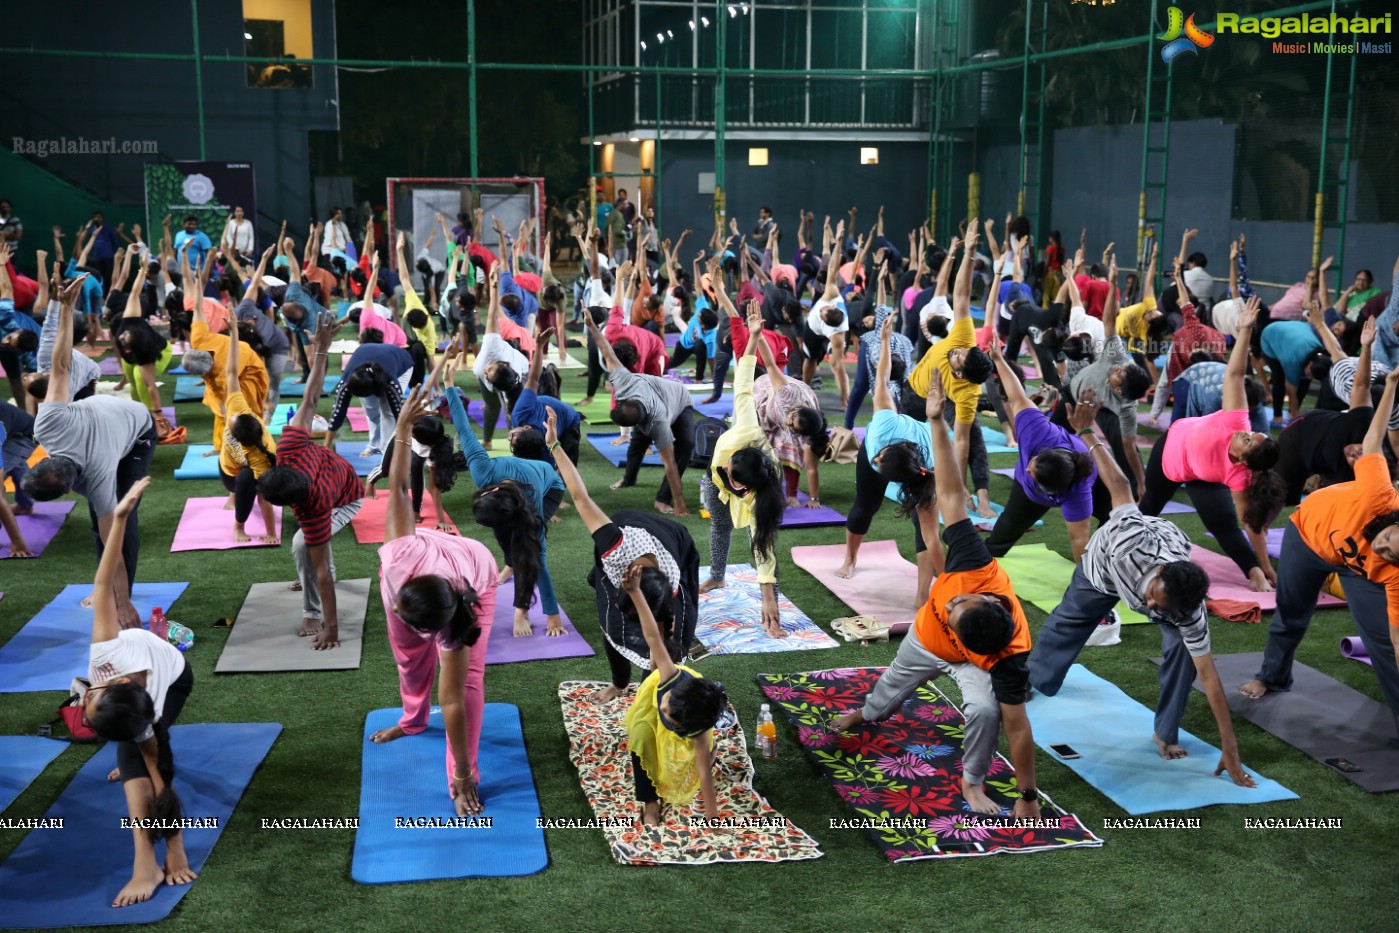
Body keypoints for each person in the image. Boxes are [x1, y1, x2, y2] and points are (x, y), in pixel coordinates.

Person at [830, 373, 1043, 819]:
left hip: (970, 661)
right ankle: (864, 716)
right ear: (985, 599)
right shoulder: (974, 564)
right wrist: (936, 424)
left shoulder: (1009, 660)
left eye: (953, 607)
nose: (946, 601)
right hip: (927, 641)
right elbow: (947, 491)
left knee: (986, 712)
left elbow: (1018, 727)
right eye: (957, 602)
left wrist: (1027, 795)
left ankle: (972, 782)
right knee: (885, 697)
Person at [1029, 387, 1257, 785]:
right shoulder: (1125, 546)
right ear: (1157, 580)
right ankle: (1034, 680)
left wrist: (1231, 748)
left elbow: (1210, 678)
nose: (1150, 607)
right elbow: (1119, 486)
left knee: (1184, 659)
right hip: (1100, 568)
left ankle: (1164, 733)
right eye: (1153, 598)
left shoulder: (1187, 606)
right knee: (1068, 622)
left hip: (1165, 555)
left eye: (1160, 607)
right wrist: (1088, 435)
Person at [1239, 367, 1399, 732]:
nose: (1383, 548)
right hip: (1307, 536)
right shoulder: (1380, 493)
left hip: (1354, 568)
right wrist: (1389, 386)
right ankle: (1271, 676)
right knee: (1291, 613)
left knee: (1379, 639)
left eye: (1391, 555)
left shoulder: (1393, 574)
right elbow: (1373, 441)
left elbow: (1395, 638)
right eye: (1388, 540)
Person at [370, 387, 497, 817]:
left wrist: (461, 776)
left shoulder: (456, 621)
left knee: (467, 685)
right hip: (428, 568)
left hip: (474, 571)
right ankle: (412, 721)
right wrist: (402, 431)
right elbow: (399, 485)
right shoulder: (399, 553)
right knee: (409, 662)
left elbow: (455, 703)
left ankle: (467, 771)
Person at [81, 478, 198, 907]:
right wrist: (121, 518)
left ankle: (145, 862)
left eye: (88, 703)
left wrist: (176, 847)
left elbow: (162, 783)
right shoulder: (104, 655)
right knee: (132, 761)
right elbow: (102, 581)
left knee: (147, 768)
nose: (85, 697)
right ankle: (144, 860)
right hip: (135, 703)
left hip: (177, 678)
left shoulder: (145, 723)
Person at [545, 406, 701, 708]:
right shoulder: (612, 544)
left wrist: (653, 692)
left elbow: (659, 638)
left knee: (671, 645)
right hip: (629, 524)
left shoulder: (670, 587)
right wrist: (553, 443)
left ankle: (647, 692)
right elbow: (580, 495)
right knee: (611, 623)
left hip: (673, 538)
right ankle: (618, 682)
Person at [25, 276, 155, 629]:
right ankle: (107, 588)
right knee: (102, 523)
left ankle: (119, 591)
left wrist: (123, 605)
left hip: (138, 432)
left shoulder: (95, 478)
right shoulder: (47, 425)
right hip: (102, 414)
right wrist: (63, 308)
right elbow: (61, 364)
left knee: (118, 523)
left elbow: (111, 534)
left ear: (70, 489)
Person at [1138, 297, 1284, 592]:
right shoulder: (1236, 422)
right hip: (1168, 456)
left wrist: (1264, 568)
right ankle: (1120, 550)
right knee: (1148, 511)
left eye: (1250, 440)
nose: (1249, 433)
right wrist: (1244, 331)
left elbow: (1249, 523)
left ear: (1244, 461)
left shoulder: (1239, 476)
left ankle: (1252, 573)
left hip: (1202, 477)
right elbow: (1234, 373)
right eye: (1256, 434)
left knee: (1224, 526)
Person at [255, 315, 363, 650]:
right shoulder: (290, 446)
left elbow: (324, 575)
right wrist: (322, 351)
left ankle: (311, 611)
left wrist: (331, 628)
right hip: (335, 475)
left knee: (306, 547)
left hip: (347, 497)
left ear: (291, 504)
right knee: (308, 552)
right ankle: (308, 589)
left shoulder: (312, 510)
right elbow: (311, 398)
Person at [443, 379, 565, 639]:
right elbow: (464, 429)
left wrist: (551, 615)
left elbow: (539, 563)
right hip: (509, 501)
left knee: (530, 551)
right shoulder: (482, 470)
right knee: (506, 538)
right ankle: (510, 563)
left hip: (551, 489)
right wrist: (450, 386)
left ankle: (522, 605)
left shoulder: (531, 502)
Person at [834, 316, 940, 605]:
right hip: (893, 451)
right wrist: (882, 343)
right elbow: (880, 377)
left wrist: (950, 586)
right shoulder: (883, 426)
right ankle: (850, 559)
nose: (877, 461)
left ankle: (922, 593)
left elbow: (932, 539)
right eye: (880, 462)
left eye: (879, 462)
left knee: (926, 528)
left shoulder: (931, 461)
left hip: (917, 470)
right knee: (865, 505)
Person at [699, 303, 789, 638]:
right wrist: (752, 338)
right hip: (714, 486)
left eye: (730, 469)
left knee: (760, 539)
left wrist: (768, 601)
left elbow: (763, 550)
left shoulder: (761, 495)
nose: (724, 463)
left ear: (747, 487)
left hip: (746, 497)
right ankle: (718, 575)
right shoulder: (748, 429)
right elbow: (744, 381)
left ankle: (773, 615)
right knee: (719, 525)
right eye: (729, 463)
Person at [620, 563, 725, 826]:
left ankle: (712, 752)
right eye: (667, 707)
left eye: (668, 715)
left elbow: (704, 777)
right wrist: (635, 592)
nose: (663, 710)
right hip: (657, 692)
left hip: (697, 712)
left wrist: (713, 820)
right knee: (641, 738)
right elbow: (652, 636)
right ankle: (650, 802)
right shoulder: (669, 679)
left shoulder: (698, 732)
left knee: (686, 759)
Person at [983, 336, 1103, 561]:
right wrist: (999, 360)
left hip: (1082, 477)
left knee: (1114, 517)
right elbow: (1017, 396)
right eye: (1033, 464)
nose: (1027, 470)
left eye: (1033, 472)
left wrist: (1083, 586)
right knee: (1007, 529)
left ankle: (1113, 553)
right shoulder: (1037, 432)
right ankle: (986, 555)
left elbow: (1079, 538)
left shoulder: (1079, 489)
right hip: (1037, 487)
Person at [908, 225, 998, 516]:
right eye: (961, 352)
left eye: (958, 359)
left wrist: (957, 486)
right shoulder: (964, 339)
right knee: (909, 449)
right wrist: (968, 253)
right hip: (915, 393)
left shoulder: (968, 392)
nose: (955, 352)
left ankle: (980, 494)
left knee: (973, 439)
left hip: (944, 399)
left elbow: (960, 440)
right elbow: (961, 294)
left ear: (961, 374)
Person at [583, 307, 694, 515]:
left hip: (679, 402)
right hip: (655, 399)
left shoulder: (658, 422)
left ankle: (663, 498)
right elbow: (606, 348)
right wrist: (591, 326)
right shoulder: (623, 379)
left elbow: (669, 464)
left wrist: (679, 503)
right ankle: (629, 478)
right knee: (638, 442)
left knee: (685, 446)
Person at [1063, 252, 1151, 496]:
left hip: (1100, 406)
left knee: (1122, 448)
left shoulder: (1126, 409)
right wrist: (1113, 283)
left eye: (1121, 374)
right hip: (1073, 389)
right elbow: (1110, 320)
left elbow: (1129, 447)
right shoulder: (1117, 358)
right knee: (1056, 430)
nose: (1119, 369)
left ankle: (1134, 488)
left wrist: (1142, 482)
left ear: (1120, 390)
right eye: (1124, 368)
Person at [180, 248, 269, 449]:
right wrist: (197, 283)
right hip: (234, 360)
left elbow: (227, 405)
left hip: (249, 371)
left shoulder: (223, 373)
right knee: (219, 409)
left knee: (244, 411)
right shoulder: (199, 338)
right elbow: (197, 308)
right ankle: (220, 446)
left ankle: (251, 444)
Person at [750, 314, 829, 509]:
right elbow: (769, 364)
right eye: (791, 421)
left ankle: (791, 494)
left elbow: (811, 467)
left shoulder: (809, 429)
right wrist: (758, 335)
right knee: (758, 445)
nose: (788, 424)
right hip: (767, 397)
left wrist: (814, 499)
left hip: (794, 413)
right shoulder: (786, 394)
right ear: (795, 413)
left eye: (792, 427)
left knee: (789, 449)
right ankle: (756, 487)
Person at [216, 315, 280, 546]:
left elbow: (264, 499)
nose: (229, 419)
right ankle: (234, 495)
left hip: (243, 474)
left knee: (247, 479)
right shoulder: (240, 411)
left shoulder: (259, 456)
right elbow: (231, 372)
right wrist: (234, 333)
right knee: (241, 476)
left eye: (230, 426)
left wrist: (272, 533)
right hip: (226, 472)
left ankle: (238, 525)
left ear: (241, 439)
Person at [325, 331, 414, 459]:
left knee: (387, 412)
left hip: (402, 363)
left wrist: (410, 446)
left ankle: (386, 452)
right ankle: (374, 446)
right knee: (371, 410)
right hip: (372, 361)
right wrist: (326, 447)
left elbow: (399, 415)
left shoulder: (390, 383)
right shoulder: (346, 382)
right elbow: (337, 414)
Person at [844, 268, 914, 429]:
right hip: (873, 347)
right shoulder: (875, 342)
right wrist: (881, 281)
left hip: (895, 362)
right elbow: (881, 305)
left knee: (899, 402)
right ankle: (848, 425)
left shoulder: (904, 373)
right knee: (861, 386)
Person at [473, 263, 531, 448]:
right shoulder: (494, 346)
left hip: (515, 379)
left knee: (515, 411)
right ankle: (488, 441)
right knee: (492, 406)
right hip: (507, 373)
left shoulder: (519, 368)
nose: (485, 368)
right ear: (502, 363)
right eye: (489, 369)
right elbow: (491, 316)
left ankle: (518, 443)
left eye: (488, 371)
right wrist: (493, 287)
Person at [509, 329, 581, 466]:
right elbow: (534, 379)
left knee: (566, 464)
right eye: (512, 437)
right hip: (548, 411)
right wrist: (539, 346)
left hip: (569, 420)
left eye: (512, 436)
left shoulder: (546, 445)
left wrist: (539, 346)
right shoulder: (522, 413)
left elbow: (535, 379)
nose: (509, 435)